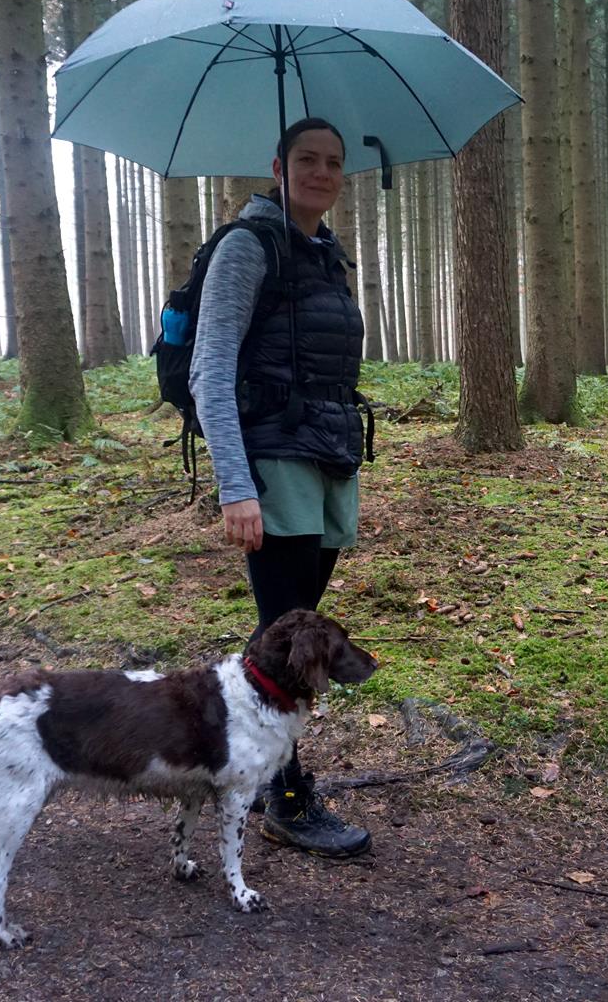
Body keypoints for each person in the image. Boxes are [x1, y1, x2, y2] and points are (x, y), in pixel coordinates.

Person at [187, 117, 372, 858]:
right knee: (285, 644)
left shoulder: (326, 253)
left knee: (281, 637)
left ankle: (220, 753)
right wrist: (235, 485)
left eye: (333, 161)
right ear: (277, 165)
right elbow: (210, 370)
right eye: (306, 159)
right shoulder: (246, 246)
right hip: (273, 464)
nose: (321, 172)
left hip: (327, 460)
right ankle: (286, 796)